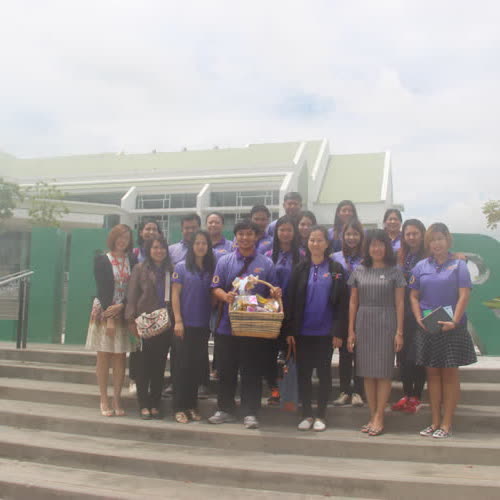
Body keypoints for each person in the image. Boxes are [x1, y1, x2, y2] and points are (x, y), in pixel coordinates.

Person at [208, 219, 281, 429]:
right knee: (226, 370)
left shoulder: (266, 263)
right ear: (236, 237)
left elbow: (272, 293)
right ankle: (225, 409)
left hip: (254, 327)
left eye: (249, 234)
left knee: (252, 370)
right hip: (227, 326)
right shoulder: (225, 261)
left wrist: (275, 292)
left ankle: (250, 412)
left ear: (256, 237)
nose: (245, 238)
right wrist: (225, 296)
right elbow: (215, 287)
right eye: (241, 234)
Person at [409, 223, 477, 439]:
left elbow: (464, 295)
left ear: (447, 240)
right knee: (432, 375)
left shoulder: (459, 265)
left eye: (440, 238)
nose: (436, 243)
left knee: (449, 375)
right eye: (432, 240)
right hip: (428, 327)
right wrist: (418, 317)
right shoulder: (421, 266)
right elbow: (413, 295)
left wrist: (454, 321)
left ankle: (447, 424)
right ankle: (435, 422)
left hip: (452, 328)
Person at [286, 226, 348, 432]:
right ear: (307, 243)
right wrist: (289, 331)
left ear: (327, 244)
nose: (315, 244)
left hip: (325, 333)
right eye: (312, 240)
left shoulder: (336, 269)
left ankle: (321, 414)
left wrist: (338, 332)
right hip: (302, 333)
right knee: (303, 374)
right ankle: (306, 414)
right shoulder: (299, 269)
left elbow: (342, 303)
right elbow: (290, 300)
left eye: (320, 240)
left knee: (324, 375)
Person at [347, 229, 406, 436]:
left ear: (386, 247)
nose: (377, 248)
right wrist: (351, 331)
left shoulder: (395, 272)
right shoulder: (359, 270)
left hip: (386, 323)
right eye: (373, 244)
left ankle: (380, 415)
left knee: (383, 372)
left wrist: (399, 332)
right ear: (367, 248)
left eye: (380, 244)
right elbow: (353, 302)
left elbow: (400, 303)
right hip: (364, 323)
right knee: (367, 373)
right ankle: (372, 415)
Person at [85, 224, 137, 417]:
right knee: (104, 355)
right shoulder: (102, 260)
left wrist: (122, 306)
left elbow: (134, 288)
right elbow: (103, 290)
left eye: (126, 237)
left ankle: (116, 398)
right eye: (119, 236)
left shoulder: (132, 260)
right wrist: (109, 318)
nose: (122, 240)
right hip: (105, 311)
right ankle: (104, 398)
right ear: (113, 238)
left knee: (120, 356)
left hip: (123, 311)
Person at [125, 236, 174, 420]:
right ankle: (143, 404)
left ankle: (155, 403)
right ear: (148, 249)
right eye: (155, 247)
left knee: (159, 366)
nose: (159, 251)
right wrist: (131, 321)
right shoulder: (140, 269)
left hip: (164, 324)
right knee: (143, 366)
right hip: (144, 323)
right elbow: (132, 296)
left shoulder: (171, 270)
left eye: (162, 248)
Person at [171, 231, 215, 423]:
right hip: (184, 326)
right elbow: (175, 295)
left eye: (204, 243)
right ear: (192, 246)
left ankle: (191, 406)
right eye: (197, 243)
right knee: (182, 367)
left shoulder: (211, 268)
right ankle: (179, 407)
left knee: (196, 368)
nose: (200, 246)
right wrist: (178, 320)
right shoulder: (181, 267)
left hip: (202, 326)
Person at [264, 215, 303, 405]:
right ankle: (274, 389)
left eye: (289, 230)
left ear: (294, 232)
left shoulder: (302, 256)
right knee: (270, 352)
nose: (285, 233)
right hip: (271, 312)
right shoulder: (267, 255)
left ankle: (291, 391)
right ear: (276, 232)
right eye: (282, 230)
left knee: (292, 352)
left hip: (294, 312)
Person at [391, 219, 427, 414]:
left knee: (419, 355)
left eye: (415, 233)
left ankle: (416, 396)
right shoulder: (400, 256)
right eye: (408, 234)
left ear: (422, 235)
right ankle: (406, 394)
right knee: (403, 354)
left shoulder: (429, 256)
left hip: (422, 311)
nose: (411, 237)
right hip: (401, 310)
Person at [332, 220, 365, 408]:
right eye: (348, 234)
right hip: (342, 309)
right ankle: (344, 391)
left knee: (360, 352)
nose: (352, 238)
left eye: (355, 234)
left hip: (363, 308)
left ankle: (359, 392)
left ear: (361, 236)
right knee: (344, 351)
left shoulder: (367, 258)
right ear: (342, 237)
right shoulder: (335, 258)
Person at [129, 219, 162, 395]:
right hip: (140, 310)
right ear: (141, 232)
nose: (151, 232)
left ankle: (150, 384)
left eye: (154, 229)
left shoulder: (162, 255)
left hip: (158, 312)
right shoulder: (134, 254)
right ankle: (133, 378)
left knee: (154, 352)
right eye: (147, 229)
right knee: (138, 348)